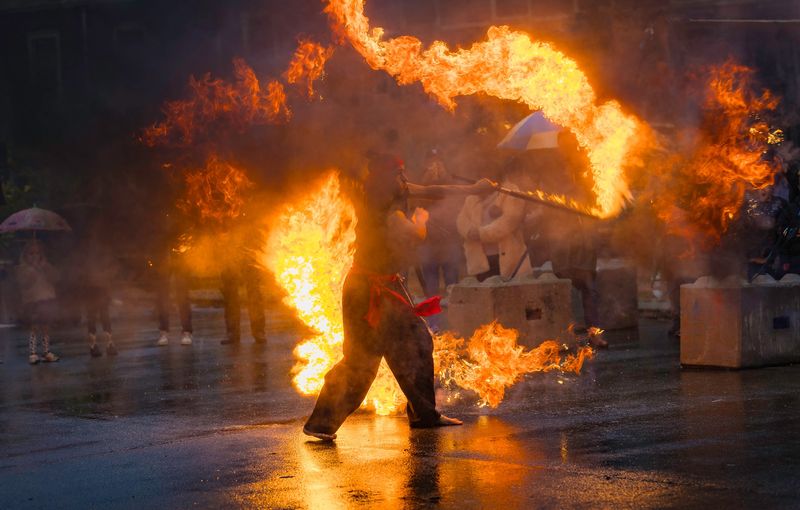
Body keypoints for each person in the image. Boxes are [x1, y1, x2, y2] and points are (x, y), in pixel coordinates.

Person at [302, 153, 495, 441]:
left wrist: (475, 188)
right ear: (382, 179)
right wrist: (420, 218)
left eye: (402, 174)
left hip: (385, 287)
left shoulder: (394, 190)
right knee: (361, 363)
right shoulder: (382, 205)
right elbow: (413, 235)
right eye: (397, 175)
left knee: (415, 345)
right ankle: (322, 423)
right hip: (369, 292)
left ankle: (424, 414)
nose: (403, 180)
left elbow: (431, 191)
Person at [549, 132, 607, 348]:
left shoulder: (588, 172)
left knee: (590, 290)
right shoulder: (556, 174)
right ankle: (566, 336)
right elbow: (551, 203)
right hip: (563, 243)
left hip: (585, 244)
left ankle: (595, 334)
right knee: (565, 292)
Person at [457, 158, 532, 281]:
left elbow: (509, 221)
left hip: (508, 260)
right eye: (480, 174)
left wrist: (481, 233)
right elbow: (461, 220)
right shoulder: (471, 198)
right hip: (481, 261)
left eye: (487, 173)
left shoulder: (511, 192)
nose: (483, 178)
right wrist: (469, 231)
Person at [414, 149, 463, 297]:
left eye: (438, 161)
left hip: (450, 240)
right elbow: (414, 206)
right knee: (431, 284)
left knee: (452, 283)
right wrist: (425, 181)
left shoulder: (451, 181)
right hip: (428, 241)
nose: (434, 165)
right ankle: (433, 318)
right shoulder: (418, 182)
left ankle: (456, 314)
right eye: (431, 161)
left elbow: (457, 203)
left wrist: (445, 179)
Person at [16, 240, 60, 364]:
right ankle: (33, 353)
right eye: (31, 253)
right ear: (25, 255)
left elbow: (56, 278)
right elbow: (24, 284)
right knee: (34, 327)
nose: (35, 256)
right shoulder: (23, 269)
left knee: (46, 327)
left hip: (47, 300)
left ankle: (46, 351)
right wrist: (33, 271)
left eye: (37, 253)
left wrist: (45, 268)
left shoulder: (45, 266)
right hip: (32, 302)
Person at [83, 226, 119, 357]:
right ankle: (98, 345)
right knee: (97, 316)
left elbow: (111, 268)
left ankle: (105, 344)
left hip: (98, 288)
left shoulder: (98, 251)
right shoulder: (93, 252)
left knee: (101, 316)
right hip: (92, 288)